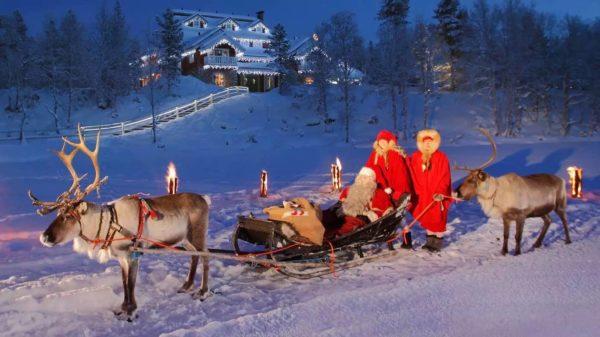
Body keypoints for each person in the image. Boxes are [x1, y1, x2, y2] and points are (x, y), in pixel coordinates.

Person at [407, 129, 452, 252]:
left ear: (435, 143)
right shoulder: (416, 156)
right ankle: (429, 242)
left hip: (437, 194)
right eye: (425, 142)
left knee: (438, 217)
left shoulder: (441, 157)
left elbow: (445, 176)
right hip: (423, 194)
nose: (427, 144)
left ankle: (437, 243)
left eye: (430, 142)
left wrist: (441, 192)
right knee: (426, 216)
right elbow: (408, 168)